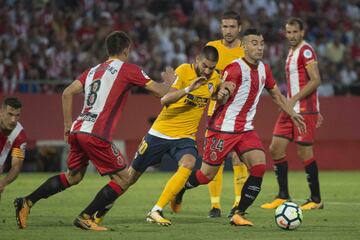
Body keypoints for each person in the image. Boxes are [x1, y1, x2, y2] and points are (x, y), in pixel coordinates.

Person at [13, 31, 175, 231]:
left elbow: (66, 93)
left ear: (108, 50)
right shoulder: (128, 69)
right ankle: (86, 216)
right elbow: (160, 92)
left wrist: (66, 125)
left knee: (73, 177)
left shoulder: (92, 71)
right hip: (96, 134)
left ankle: (27, 202)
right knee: (125, 179)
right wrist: (169, 81)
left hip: (78, 129)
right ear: (126, 50)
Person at [173, 28, 306, 226]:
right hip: (221, 129)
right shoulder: (234, 68)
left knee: (259, 165)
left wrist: (293, 113)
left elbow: (277, 96)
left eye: (261, 43)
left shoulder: (264, 69)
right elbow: (225, 88)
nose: (259, 47)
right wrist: (224, 92)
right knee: (205, 176)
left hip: (245, 130)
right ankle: (180, 189)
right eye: (254, 43)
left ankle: (238, 212)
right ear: (244, 46)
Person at [93, 45, 222, 226]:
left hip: (185, 136)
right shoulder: (184, 71)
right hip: (160, 133)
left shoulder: (215, 78)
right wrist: (188, 89)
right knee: (129, 179)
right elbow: (165, 100)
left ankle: (156, 210)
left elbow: (215, 94)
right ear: (197, 59)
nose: (208, 71)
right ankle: (98, 213)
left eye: (211, 67)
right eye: (205, 66)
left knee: (189, 163)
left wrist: (222, 92)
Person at [261, 17, 323, 210]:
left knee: (304, 152)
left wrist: (294, 99)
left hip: (304, 109)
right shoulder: (291, 52)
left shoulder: (305, 50)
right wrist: (289, 102)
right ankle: (283, 195)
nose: (291, 35)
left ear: (302, 33)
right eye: (288, 32)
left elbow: (315, 80)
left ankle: (316, 199)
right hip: (290, 109)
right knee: (275, 148)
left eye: (295, 32)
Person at [204, 10, 248, 218]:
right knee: (216, 158)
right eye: (225, 26)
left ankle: (238, 202)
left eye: (232, 26)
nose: (228, 31)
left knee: (238, 158)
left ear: (239, 28)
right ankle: (215, 205)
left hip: (240, 112)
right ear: (220, 27)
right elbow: (203, 76)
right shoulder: (212, 48)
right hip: (217, 111)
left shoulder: (246, 49)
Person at [0, 97, 26, 200]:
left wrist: (3, 183)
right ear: (1, 112)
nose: (13, 120)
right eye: (10, 114)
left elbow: (16, 166)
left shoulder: (19, 135)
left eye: (17, 115)